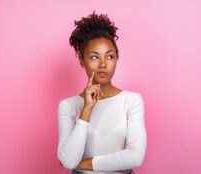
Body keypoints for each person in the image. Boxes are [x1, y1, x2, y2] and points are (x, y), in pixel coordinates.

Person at [57, 11, 146, 174]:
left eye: (110, 56)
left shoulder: (131, 101)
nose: (103, 64)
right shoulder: (68, 106)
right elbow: (68, 160)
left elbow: (135, 157)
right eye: (94, 57)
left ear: (116, 59)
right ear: (82, 61)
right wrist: (87, 109)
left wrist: (82, 164)